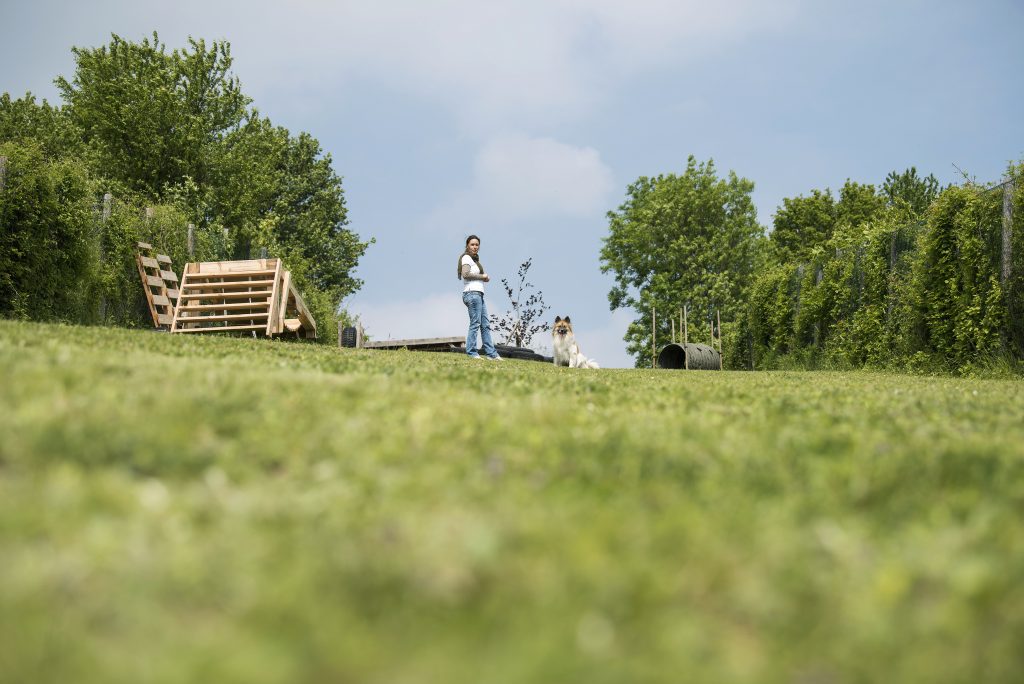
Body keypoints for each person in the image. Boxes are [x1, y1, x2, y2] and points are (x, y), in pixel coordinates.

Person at [458, 234, 502, 360]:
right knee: (475, 323)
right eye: (472, 244)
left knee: (485, 324)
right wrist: (482, 276)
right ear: (467, 245)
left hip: (479, 294)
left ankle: (491, 354)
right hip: (472, 293)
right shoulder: (466, 258)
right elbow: (465, 274)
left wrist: (484, 278)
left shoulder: (475, 261)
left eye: (477, 244)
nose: (475, 247)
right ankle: (472, 352)